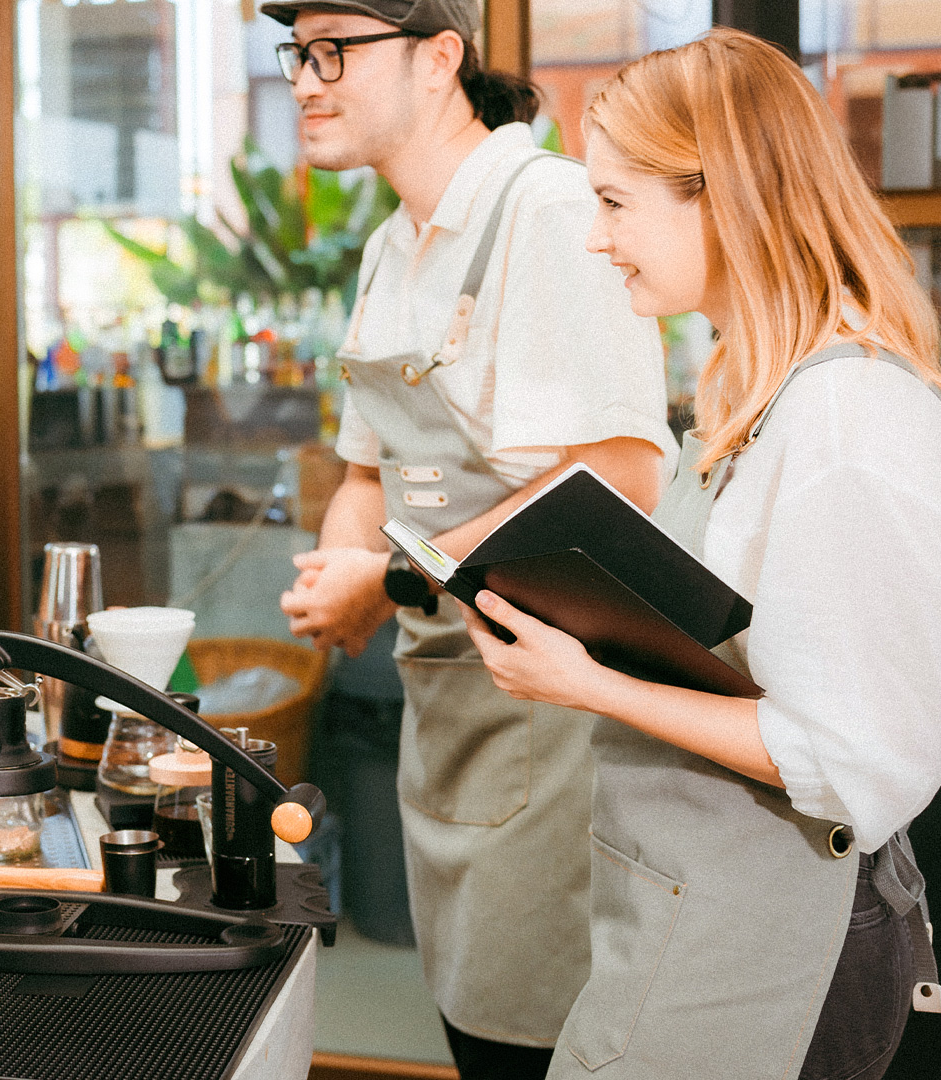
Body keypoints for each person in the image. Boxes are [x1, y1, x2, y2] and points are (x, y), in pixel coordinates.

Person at [463, 29, 941, 1080]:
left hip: (786, 939)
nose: (597, 239)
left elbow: (850, 759)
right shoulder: (743, 390)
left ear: (721, 195)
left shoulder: (848, 421)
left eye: (618, 203)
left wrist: (587, 682)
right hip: (690, 902)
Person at [259, 1, 676, 1074]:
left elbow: (623, 471)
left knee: (530, 1042)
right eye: (296, 53)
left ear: (440, 57)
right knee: (465, 1020)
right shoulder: (390, 245)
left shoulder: (548, 212)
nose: (306, 79)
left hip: (552, 712)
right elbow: (366, 469)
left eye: (334, 50)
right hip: (441, 697)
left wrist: (392, 575)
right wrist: (336, 575)